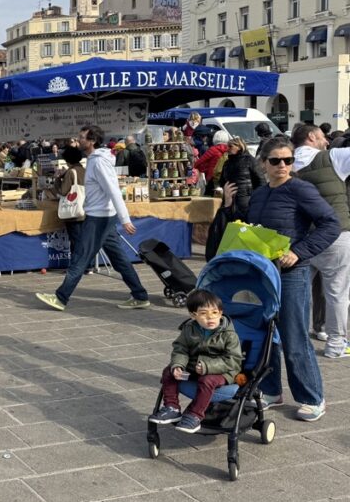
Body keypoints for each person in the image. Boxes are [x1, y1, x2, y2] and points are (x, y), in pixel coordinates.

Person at [223, 135, 340, 421]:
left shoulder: (301, 189)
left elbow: (331, 224)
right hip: (263, 272)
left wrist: (299, 252)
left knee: (294, 335)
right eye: (275, 160)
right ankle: (271, 390)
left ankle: (313, 397)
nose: (283, 165)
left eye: (288, 160)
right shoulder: (261, 193)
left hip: (291, 273)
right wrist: (228, 206)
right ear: (263, 163)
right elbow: (249, 228)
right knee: (264, 334)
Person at [36, 124, 150, 312]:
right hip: (103, 216)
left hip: (98, 218)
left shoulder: (98, 162)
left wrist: (125, 219)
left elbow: (113, 190)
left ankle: (60, 297)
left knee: (80, 257)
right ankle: (140, 295)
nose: (78, 140)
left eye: (82, 137)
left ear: (92, 141)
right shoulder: (96, 160)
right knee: (118, 258)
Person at [291, 123, 350, 359]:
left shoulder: (283, 162)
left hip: (299, 239)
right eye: (323, 137)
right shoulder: (332, 158)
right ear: (312, 136)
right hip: (334, 234)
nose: (327, 141)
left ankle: (296, 340)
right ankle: (336, 345)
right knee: (337, 292)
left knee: (298, 293)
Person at [148, 290, 243, 433]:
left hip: (222, 372)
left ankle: (195, 415)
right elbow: (181, 349)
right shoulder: (189, 329)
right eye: (204, 313)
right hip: (194, 368)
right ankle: (172, 407)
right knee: (169, 372)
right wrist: (178, 365)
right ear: (194, 315)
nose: (210, 317)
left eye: (214, 313)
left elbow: (233, 360)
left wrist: (207, 367)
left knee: (207, 380)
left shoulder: (229, 335)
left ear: (221, 313)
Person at [52, 145, 86, 257]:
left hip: (74, 212)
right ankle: (88, 265)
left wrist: (57, 178)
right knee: (84, 239)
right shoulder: (85, 170)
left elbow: (63, 191)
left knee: (75, 240)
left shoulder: (71, 172)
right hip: (86, 209)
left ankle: (77, 266)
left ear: (67, 160)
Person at [217, 136, 263, 215]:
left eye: (230, 146)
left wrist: (256, 198)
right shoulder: (227, 163)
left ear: (239, 147)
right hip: (229, 201)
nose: (227, 149)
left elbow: (260, 180)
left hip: (246, 200)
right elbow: (222, 181)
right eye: (227, 146)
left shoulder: (250, 160)